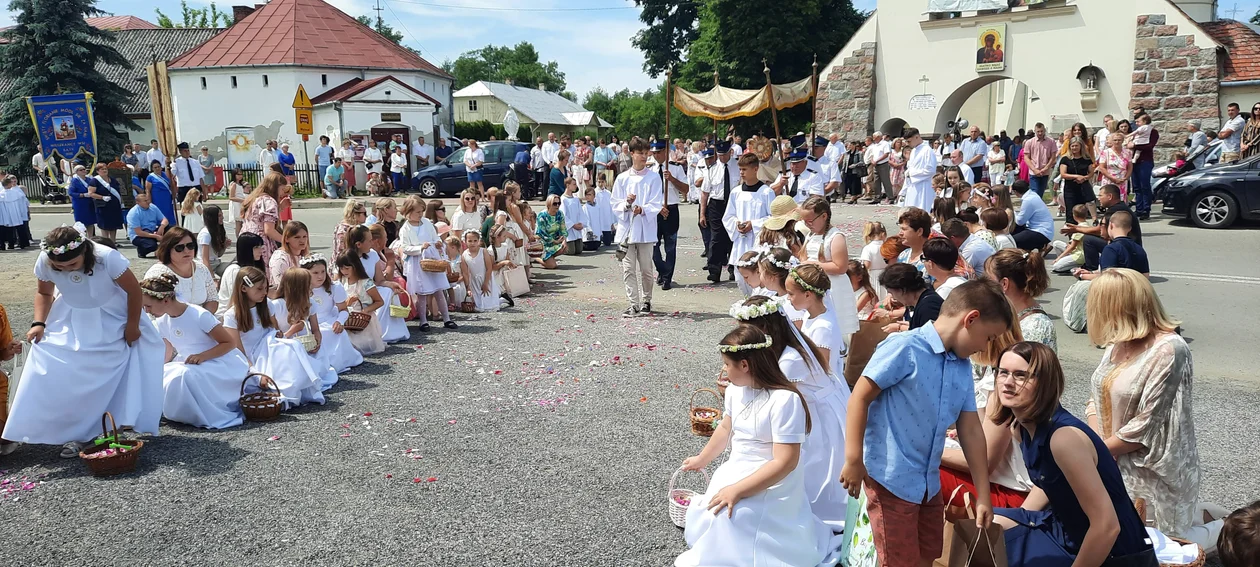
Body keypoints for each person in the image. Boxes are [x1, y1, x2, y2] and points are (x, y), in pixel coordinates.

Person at [841, 280, 1013, 566]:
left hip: (927, 486)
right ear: (970, 319)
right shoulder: (905, 347)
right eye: (989, 336)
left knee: (928, 553)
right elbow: (859, 397)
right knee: (896, 560)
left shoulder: (961, 366)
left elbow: (970, 429)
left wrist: (983, 493)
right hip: (890, 481)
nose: (986, 346)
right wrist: (853, 458)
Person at [677, 324, 840, 567]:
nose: (723, 370)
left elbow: (785, 462)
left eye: (727, 364)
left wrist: (739, 489)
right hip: (737, 467)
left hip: (773, 478)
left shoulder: (785, 400)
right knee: (711, 509)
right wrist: (702, 459)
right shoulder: (734, 391)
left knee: (736, 515)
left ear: (745, 365)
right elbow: (725, 428)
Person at [989, 342, 1160, 566]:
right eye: (1003, 373)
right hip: (1065, 530)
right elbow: (1047, 481)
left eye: (1021, 376)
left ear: (1044, 383)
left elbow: (1107, 526)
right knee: (985, 528)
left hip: (1115, 552)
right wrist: (1022, 520)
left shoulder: (1063, 439)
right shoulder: (1020, 428)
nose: (1008, 383)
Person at [3, 227, 164, 457]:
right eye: (60, 267)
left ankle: (98, 430)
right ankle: (33, 427)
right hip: (68, 317)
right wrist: (39, 322)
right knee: (51, 366)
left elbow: (133, 292)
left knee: (104, 375)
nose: (66, 270)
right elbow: (45, 293)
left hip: (111, 318)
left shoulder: (107, 258)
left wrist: (132, 325)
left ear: (84, 251)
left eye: (71, 265)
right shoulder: (45, 259)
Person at [734, 295, 850, 531]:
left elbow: (782, 397)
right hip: (808, 405)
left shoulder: (790, 359)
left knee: (815, 471)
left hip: (817, 414)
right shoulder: (780, 347)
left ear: (765, 329)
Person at [140, 273, 248, 430]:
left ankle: (201, 413)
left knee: (184, 375)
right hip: (190, 361)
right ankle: (179, 413)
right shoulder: (162, 320)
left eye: (148, 306)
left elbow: (229, 343)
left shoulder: (199, 315)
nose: (146, 310)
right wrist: (157, 365)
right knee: (163, 372)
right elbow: (168, 348)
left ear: (165, 300)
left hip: (219, 361)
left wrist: (202, 356)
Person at [221, 266, 326, 408]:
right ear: (243, 289)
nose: (264, 293)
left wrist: (281, 335)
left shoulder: (267, 305)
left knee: (292, 345)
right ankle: (283, 390)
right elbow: (238, 352)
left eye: (265, 288)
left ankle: (294, 387)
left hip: (269, 347)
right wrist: (256, 373)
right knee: (287, 349)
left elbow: (274, 330)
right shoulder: (231, 316)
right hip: (252, 357)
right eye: (259, 289)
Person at [611, 136, 663, 317]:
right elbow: (614, 203)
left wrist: (644, 209)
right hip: (627, 230)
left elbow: (657, 202)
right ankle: (633, 303)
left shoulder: (654, 178)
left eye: (646, 153)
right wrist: (627, 204)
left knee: (647, 269)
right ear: (631, 154)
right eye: (640, 153)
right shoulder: (622, 178)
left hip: (646, 229)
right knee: (628, 268)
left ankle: (646, 300)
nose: (644, 157)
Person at [798, 195, 860, 337]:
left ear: (824, 216)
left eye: (810, 221)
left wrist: (814, 265)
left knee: (834, 327)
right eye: (804, 221)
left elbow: (841, 267)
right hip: (813, 283)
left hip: (833, 287)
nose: (807, 224)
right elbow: (804, 255)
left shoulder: (836, 236)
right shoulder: (810, 235)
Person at [394, 195, 454, 331]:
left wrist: (438, 244)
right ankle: (423, 321)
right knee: (422, 292)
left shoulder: (427, 223)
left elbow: (435, 237)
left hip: (432, 259)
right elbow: (405, 248)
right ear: (408, 212)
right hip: (418, 263)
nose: (420, 214)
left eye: (421, 211)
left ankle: (447, 318)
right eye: (417, 212)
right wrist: (420, 248)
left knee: (439, 289)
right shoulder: (405, 229)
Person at [986, 248, 1055, 350]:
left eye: (988, 279)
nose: (983, 284)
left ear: (1004, 284)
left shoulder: (1036, 327)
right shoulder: (1008, 313)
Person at [1065, 184, 1143, 273]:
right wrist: (1077, 228)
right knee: (1091, 237)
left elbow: (1099, 231)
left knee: (1088, 240)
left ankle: (1091, 270)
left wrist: (1076, 229)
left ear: (1109, 196)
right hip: (1128, 247)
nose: (1098, 198)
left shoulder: (1116, 210)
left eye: (1100, 195)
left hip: (1126, 249)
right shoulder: (1118, 207)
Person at [144, 227, 219, 313]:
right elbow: (151, 308)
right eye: (179, 248)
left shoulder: (201, 269)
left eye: (190, 246)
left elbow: (212, 299)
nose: (187, 251)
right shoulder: (157, 274)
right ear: (167, 250)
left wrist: (202, 319)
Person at [649, 139, 689, 290]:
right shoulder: (650, 170)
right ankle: (662, 269)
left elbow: (686, 189)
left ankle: (667, 278)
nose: (656, 156)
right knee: (653, 245)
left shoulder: (676, 168)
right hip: (655, 210)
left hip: (671, 209)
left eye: (658, 152)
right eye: (653, 153)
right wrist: (658, 207)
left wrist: (672, 179)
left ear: (665, 152)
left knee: (670, 246)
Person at [1074, 211, 1149, 280]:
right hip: (1136, 289)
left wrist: (1083, 276)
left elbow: (1107, 277)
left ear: (1111, 225)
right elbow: (1145, 276)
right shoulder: (1139, 248)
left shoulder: (1111, 249)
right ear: (1129, 228)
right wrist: (1091, 273)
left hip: (1117, 290)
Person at [335, 253, 385, 355]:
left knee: (356, 346)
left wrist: (366, 310)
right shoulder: (341, 281)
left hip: (362, 318)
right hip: (347, 317)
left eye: (347, 268)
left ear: (355, 266)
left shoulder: (366, 282)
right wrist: (347, 303)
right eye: (341, 268)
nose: (344, 271)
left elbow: (380, 301)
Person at [240, 172, 286, 280]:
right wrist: (286, 241)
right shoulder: (270, 201)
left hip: (246, 239)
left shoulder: (255, 198)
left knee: (249, 274)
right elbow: (269, 230)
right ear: (275, 187)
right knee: (263, 275)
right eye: (282, 189)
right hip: (260, 242)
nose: (283, 193)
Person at [702, 140, 736, 282]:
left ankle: (733, 267)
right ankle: (714, 270)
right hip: (716, 205)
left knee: (732, 237)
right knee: (716, 238)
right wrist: (702, 213)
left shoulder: (738, 166)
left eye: (725, 154)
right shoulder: (712, 169)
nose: (722, 157)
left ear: (730, 152)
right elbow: (705, 192)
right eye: (720, 154)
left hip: (733, 203)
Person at [879, 261, 943, 333]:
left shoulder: (928, 307)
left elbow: (931, 338)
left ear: (902, 290)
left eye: (891, 293)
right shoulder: (923, 301)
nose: (893, 298)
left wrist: (902, 328)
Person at [1129, 114, 1159, 219]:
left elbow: (1149, 146)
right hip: (1134, 162)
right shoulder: (1138, 132)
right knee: (1136, 187)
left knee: (1144, 186)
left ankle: (1146, 209)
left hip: (1145, 161)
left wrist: (1135, 146)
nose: (1136, 124)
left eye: (1138, 121)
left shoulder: (1153, 132)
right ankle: (1139, 209)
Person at [1010, 179, 1054, 251]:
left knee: (1012, 241)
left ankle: (1040, 246)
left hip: (1040, 231)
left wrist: (1013, 213)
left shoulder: (1028, 200)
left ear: (1015, 191)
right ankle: (1041, 246)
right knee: (1014, 231)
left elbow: (1020, 222)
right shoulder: (1033, 195)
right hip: (1044, 230)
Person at [267, 220, 310, 292]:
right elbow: (281, 286)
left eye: (304, 236)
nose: (302, 240)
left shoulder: (305, 256)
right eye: (297, 237)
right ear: (287, 239)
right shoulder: (280, 259)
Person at [901, 128, 938, 211]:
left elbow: (930, 170)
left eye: (909, 141)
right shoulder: (914, 151)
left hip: (924, 186)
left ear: (917, 137)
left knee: (921, 209)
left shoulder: (927, 150)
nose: (907, 144)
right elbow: (910, 167)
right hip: (912, 185)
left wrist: (912, 174)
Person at [88, 163, 125, 242]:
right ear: (98, 171)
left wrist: (121, 202)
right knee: (105, 226)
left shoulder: (112, 180)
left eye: (105, 169)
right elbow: (91, 193)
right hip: (103, 206)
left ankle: (113, 242)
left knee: (114, 225)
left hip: (114, 206)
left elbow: (118, 191)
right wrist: (102, 197)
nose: (104, 171)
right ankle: (106, 242)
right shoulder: (95, 181)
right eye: (102, 169)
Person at [126, 192, 170, 258]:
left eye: (148, 200)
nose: (148, 202)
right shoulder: (133, 213)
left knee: (171, 230)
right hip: (139, 235)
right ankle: (141, 251)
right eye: (145, 201)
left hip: (152, 229)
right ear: (138, 203)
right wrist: (155, 236)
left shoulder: (153, 207)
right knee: (151, 246)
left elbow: (165, 220)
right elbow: (139, 232)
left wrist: (162, 227)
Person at [1022, 123, 1058, 198]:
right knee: (1034, 192)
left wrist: (1046, 168)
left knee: (1040, 193)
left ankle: (1037, 208)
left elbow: (1053, 156)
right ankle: (1034, 208)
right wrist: (1034, 169)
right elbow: (1026, 157)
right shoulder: (1029, 142)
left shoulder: (1051, 142)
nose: (1040, 133)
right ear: (1035, 131)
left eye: (1041, 131)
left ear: (1044, 130)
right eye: (1038, 131)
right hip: (1033, 172)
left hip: (1045, 172)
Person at [533, 195, 566, 269]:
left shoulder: (560, 214)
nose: (557, 205)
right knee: (552, 266)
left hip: (555, 241)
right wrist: (555, 241)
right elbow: (541, 233)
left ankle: (549, 258)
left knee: (564, 247)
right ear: (549, 204)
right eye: (554, 204)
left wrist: (564, 240)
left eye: (559, 203)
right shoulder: (542, 215)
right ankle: (535, 258)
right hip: (543, 242)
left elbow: (563, 228)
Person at [0, 176, 32, 250]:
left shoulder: (1, 194)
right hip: (16, 212)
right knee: (20, 228)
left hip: (7, 214)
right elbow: (23, 202)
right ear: (9, 184)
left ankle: (10, 245)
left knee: (9, 230)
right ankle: (23, 243)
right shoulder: (16, 193)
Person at [559, 178, 588, 256]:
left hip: (577, 228)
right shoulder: (563, 199)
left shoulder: (576, 199)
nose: (576, 186)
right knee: (571, 251)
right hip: (569, 229)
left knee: (579, 250)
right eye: (574, 184)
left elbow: (581, 213)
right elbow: (563, 215)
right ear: (568, 185)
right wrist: (572, 225)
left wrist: (581, 224)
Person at [172, 142, 205, 210]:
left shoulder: (195, 162)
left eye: (188, 150)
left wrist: (204, 192)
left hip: (196, 188)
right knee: (185, 210)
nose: (187, 152)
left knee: (198, 210)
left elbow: (200, 178)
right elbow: (172, 175)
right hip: (184, 189)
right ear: (180, 152)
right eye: (185, 151)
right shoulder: (176, 162)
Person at [67, 164, 98, 237]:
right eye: (81, 170)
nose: (84, 171)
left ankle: (90, 237)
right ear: (76, 172)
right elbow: (71, 192)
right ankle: (82, 237)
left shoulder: (89, 179)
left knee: (90, 222)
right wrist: (83, 195)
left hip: (89, 203)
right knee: (81, 222)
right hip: (80, 204)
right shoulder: (74, 181)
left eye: (84, 169)